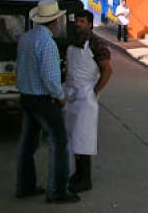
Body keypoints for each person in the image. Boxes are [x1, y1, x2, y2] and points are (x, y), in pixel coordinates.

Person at [15, 0, 79, 204]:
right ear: (54, 21)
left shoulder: (26, 38)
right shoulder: (47, 44)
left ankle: (25, 185)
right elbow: (51, 78)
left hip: (27, 97)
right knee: (59, 142)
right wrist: (60, 98)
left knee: (27, 144)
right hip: (44, 99)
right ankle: (57, 191)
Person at [65, 10, 113, 194]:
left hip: (86, 97)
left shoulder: (97, 44)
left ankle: (85, 179)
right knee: (73, 138)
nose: (78, 24)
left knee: (83, 138)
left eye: (82, 21)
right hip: (72, 93)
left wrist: (94, 92)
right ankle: (77, 174)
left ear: (90, 24)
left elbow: (107, 71)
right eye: (77, 21)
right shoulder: (72, 41)